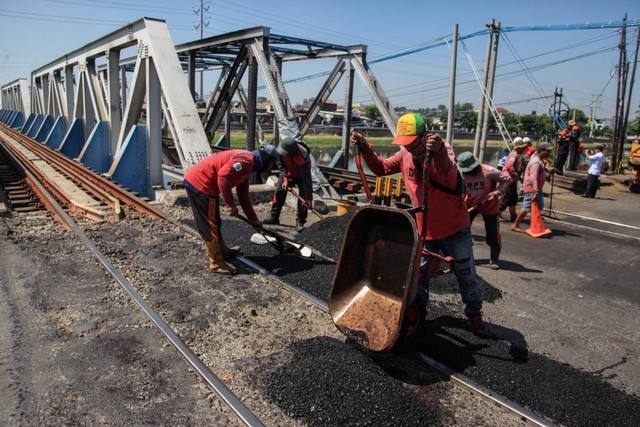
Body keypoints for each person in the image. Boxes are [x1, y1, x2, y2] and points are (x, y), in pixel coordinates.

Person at [349, 113, 485, 333]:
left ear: (425, 135)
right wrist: (365, 148)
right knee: (417, 277)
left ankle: (475, 315)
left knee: (465, 273)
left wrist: (439, 152)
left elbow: (449, 175)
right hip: (424, 230)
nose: (410, 148)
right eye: (406, 143)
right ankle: (417, 315)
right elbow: (381, 169)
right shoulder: (405, 155)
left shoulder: (443, 150)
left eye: (413, 143)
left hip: (454, 229)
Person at [183, 148, 273, 274]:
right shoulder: (246, 161)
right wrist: (230, 204)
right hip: (202, 184)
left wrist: (254, 220)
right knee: (210, 225)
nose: (269, 170)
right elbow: (223, 175)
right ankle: (216, 262)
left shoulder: (247, 164)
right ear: (263, 163)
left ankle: (222, 249)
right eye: (270, 167)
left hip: (201, 181)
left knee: (215, 220)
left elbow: (244, 197)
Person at [458, 152, 511, 270]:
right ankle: (464, 257)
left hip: (490, 205)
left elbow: (507, 180)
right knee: (462, 232)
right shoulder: (462, 174)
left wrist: (496, 193)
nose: (468, 173)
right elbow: (460, 190)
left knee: (492, 236)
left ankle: (494, 258)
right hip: (471, 204)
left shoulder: (489, 171)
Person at [263, 137, 314, 232]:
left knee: (304, 198)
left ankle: (300, 222)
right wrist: (286, 179)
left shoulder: (302, 157)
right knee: (279, 192)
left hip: (301, 176)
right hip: (288, 173)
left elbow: (307, 179)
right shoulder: (282, 151)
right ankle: (274, 217)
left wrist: (309, 198)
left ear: (292, 152)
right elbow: (281, 166)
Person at [512, 142, 556, 232]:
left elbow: (540, 170)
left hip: (537, 188)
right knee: (526, 207)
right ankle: (515, 225)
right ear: (542, 151)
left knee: (539, 207)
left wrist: (547, 169)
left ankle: (535, 225)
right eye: (547, 151)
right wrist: (535, 192)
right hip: (532, 189)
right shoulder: (536, 162)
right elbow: (533, 178)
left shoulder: (539, 160)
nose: (549, 153)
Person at [499, 137, 528, 222]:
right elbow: (509, 166)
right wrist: (515, 174)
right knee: (505, 197)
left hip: (513, 180)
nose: (523, 150)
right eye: (523, 148)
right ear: (519, 148)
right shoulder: (514, 154)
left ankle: (513, 215)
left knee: (513, 198)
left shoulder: (515, 154)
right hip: (509, 179)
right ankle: (498, 214)